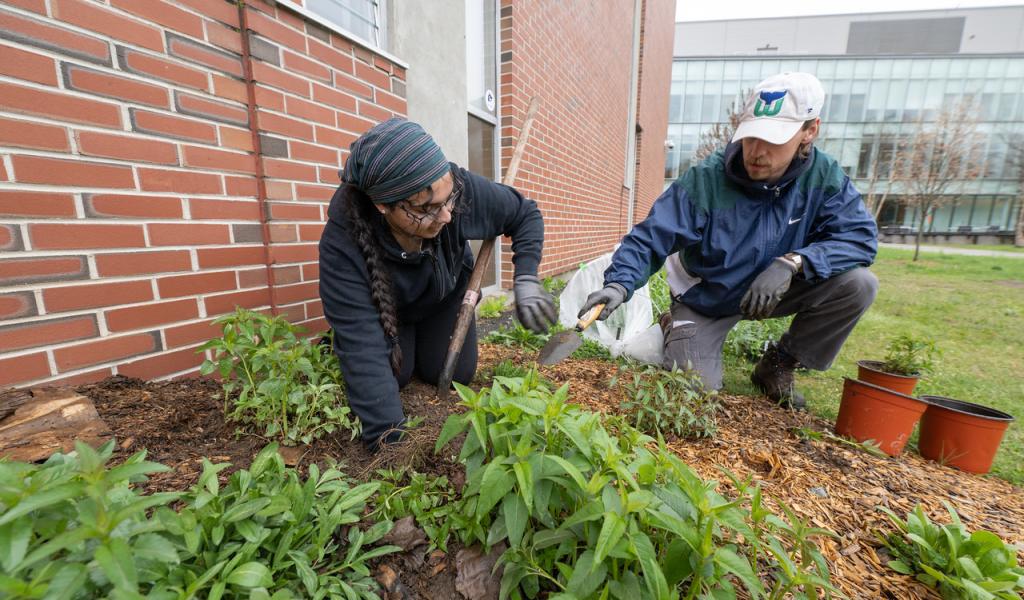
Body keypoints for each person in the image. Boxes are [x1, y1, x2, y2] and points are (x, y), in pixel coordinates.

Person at [579, 72, 878, 409]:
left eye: (774, 140)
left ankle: (779, 364)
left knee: (858, 284)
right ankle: (675, 326)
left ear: (809, 131)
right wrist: (618, 285)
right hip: (709, 296)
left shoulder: (824, 178)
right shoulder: (706, 179)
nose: (757, 151)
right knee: (694, 391)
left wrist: (793, 262)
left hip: (774, 290)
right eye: (751, 136)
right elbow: (650, 237)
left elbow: (860, 239)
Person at [319, 118, 555, 449]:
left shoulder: (452, 188)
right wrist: (392, 444)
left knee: (455, 373)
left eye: (448, 200)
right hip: (387, 310)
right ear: (383, 206)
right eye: (428, 209)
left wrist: (527, 278)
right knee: (392, 378)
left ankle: (414, 344)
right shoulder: (342, 243)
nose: (446, 216)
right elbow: (365, 356)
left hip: (442, 296)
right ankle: (342, 340)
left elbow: (524, 214)